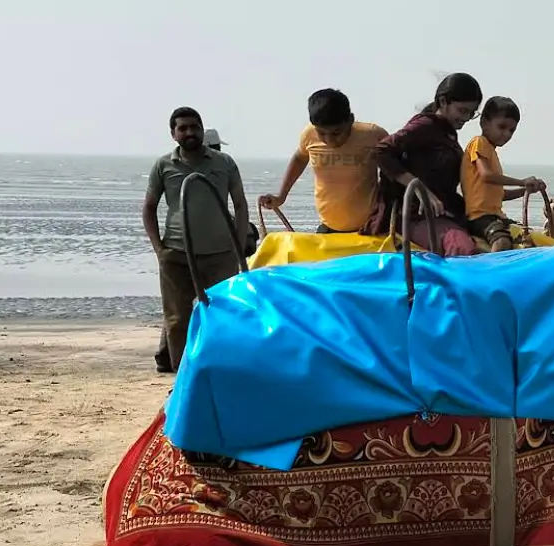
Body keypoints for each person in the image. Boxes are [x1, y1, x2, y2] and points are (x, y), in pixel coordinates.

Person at [144, 108, 249, 373]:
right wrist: (160, 250)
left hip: (220, 256)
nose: (190, 132)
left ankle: (225, 371)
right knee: (177, 320)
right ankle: (182, 381)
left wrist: (237, 247)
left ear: (202, 129)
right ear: (173, 134)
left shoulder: (224, 163)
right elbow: (149, 208)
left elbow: (240, 204)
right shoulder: (163, 165)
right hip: (177, 255)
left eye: (194, 127)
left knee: (223, 316)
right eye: (183, 128)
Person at [367, 73, 482, 256]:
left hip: (443, 214)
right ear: (443, 102)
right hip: (416, 217)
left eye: (471, 112)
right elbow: (381, 151)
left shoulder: (447, 133)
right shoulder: (425, 126)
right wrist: (421, 189)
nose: (467, 117)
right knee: (462, 248)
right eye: (462, 110)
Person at [259, 89, 387, 234]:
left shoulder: (373, 135)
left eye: (336, 133)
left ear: (350, 120)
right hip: (328, 226)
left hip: (370, 227)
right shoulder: (309, 135)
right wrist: (281, 196)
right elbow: (300, 158)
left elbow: (398, 163)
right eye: (322, 133)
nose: (329, 140)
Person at [462, 96, 546, 252]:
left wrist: (525, 190)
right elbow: (486, 175)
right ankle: (492, 273)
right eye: (502, 127)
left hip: (496, 215)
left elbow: (499, 194)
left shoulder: (491, 152)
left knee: (527, 234)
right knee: (502, 241)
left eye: (511, 130)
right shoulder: (479, 143)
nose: (507, 134)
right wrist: (522, 182)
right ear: (484, 123)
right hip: (479, 217)